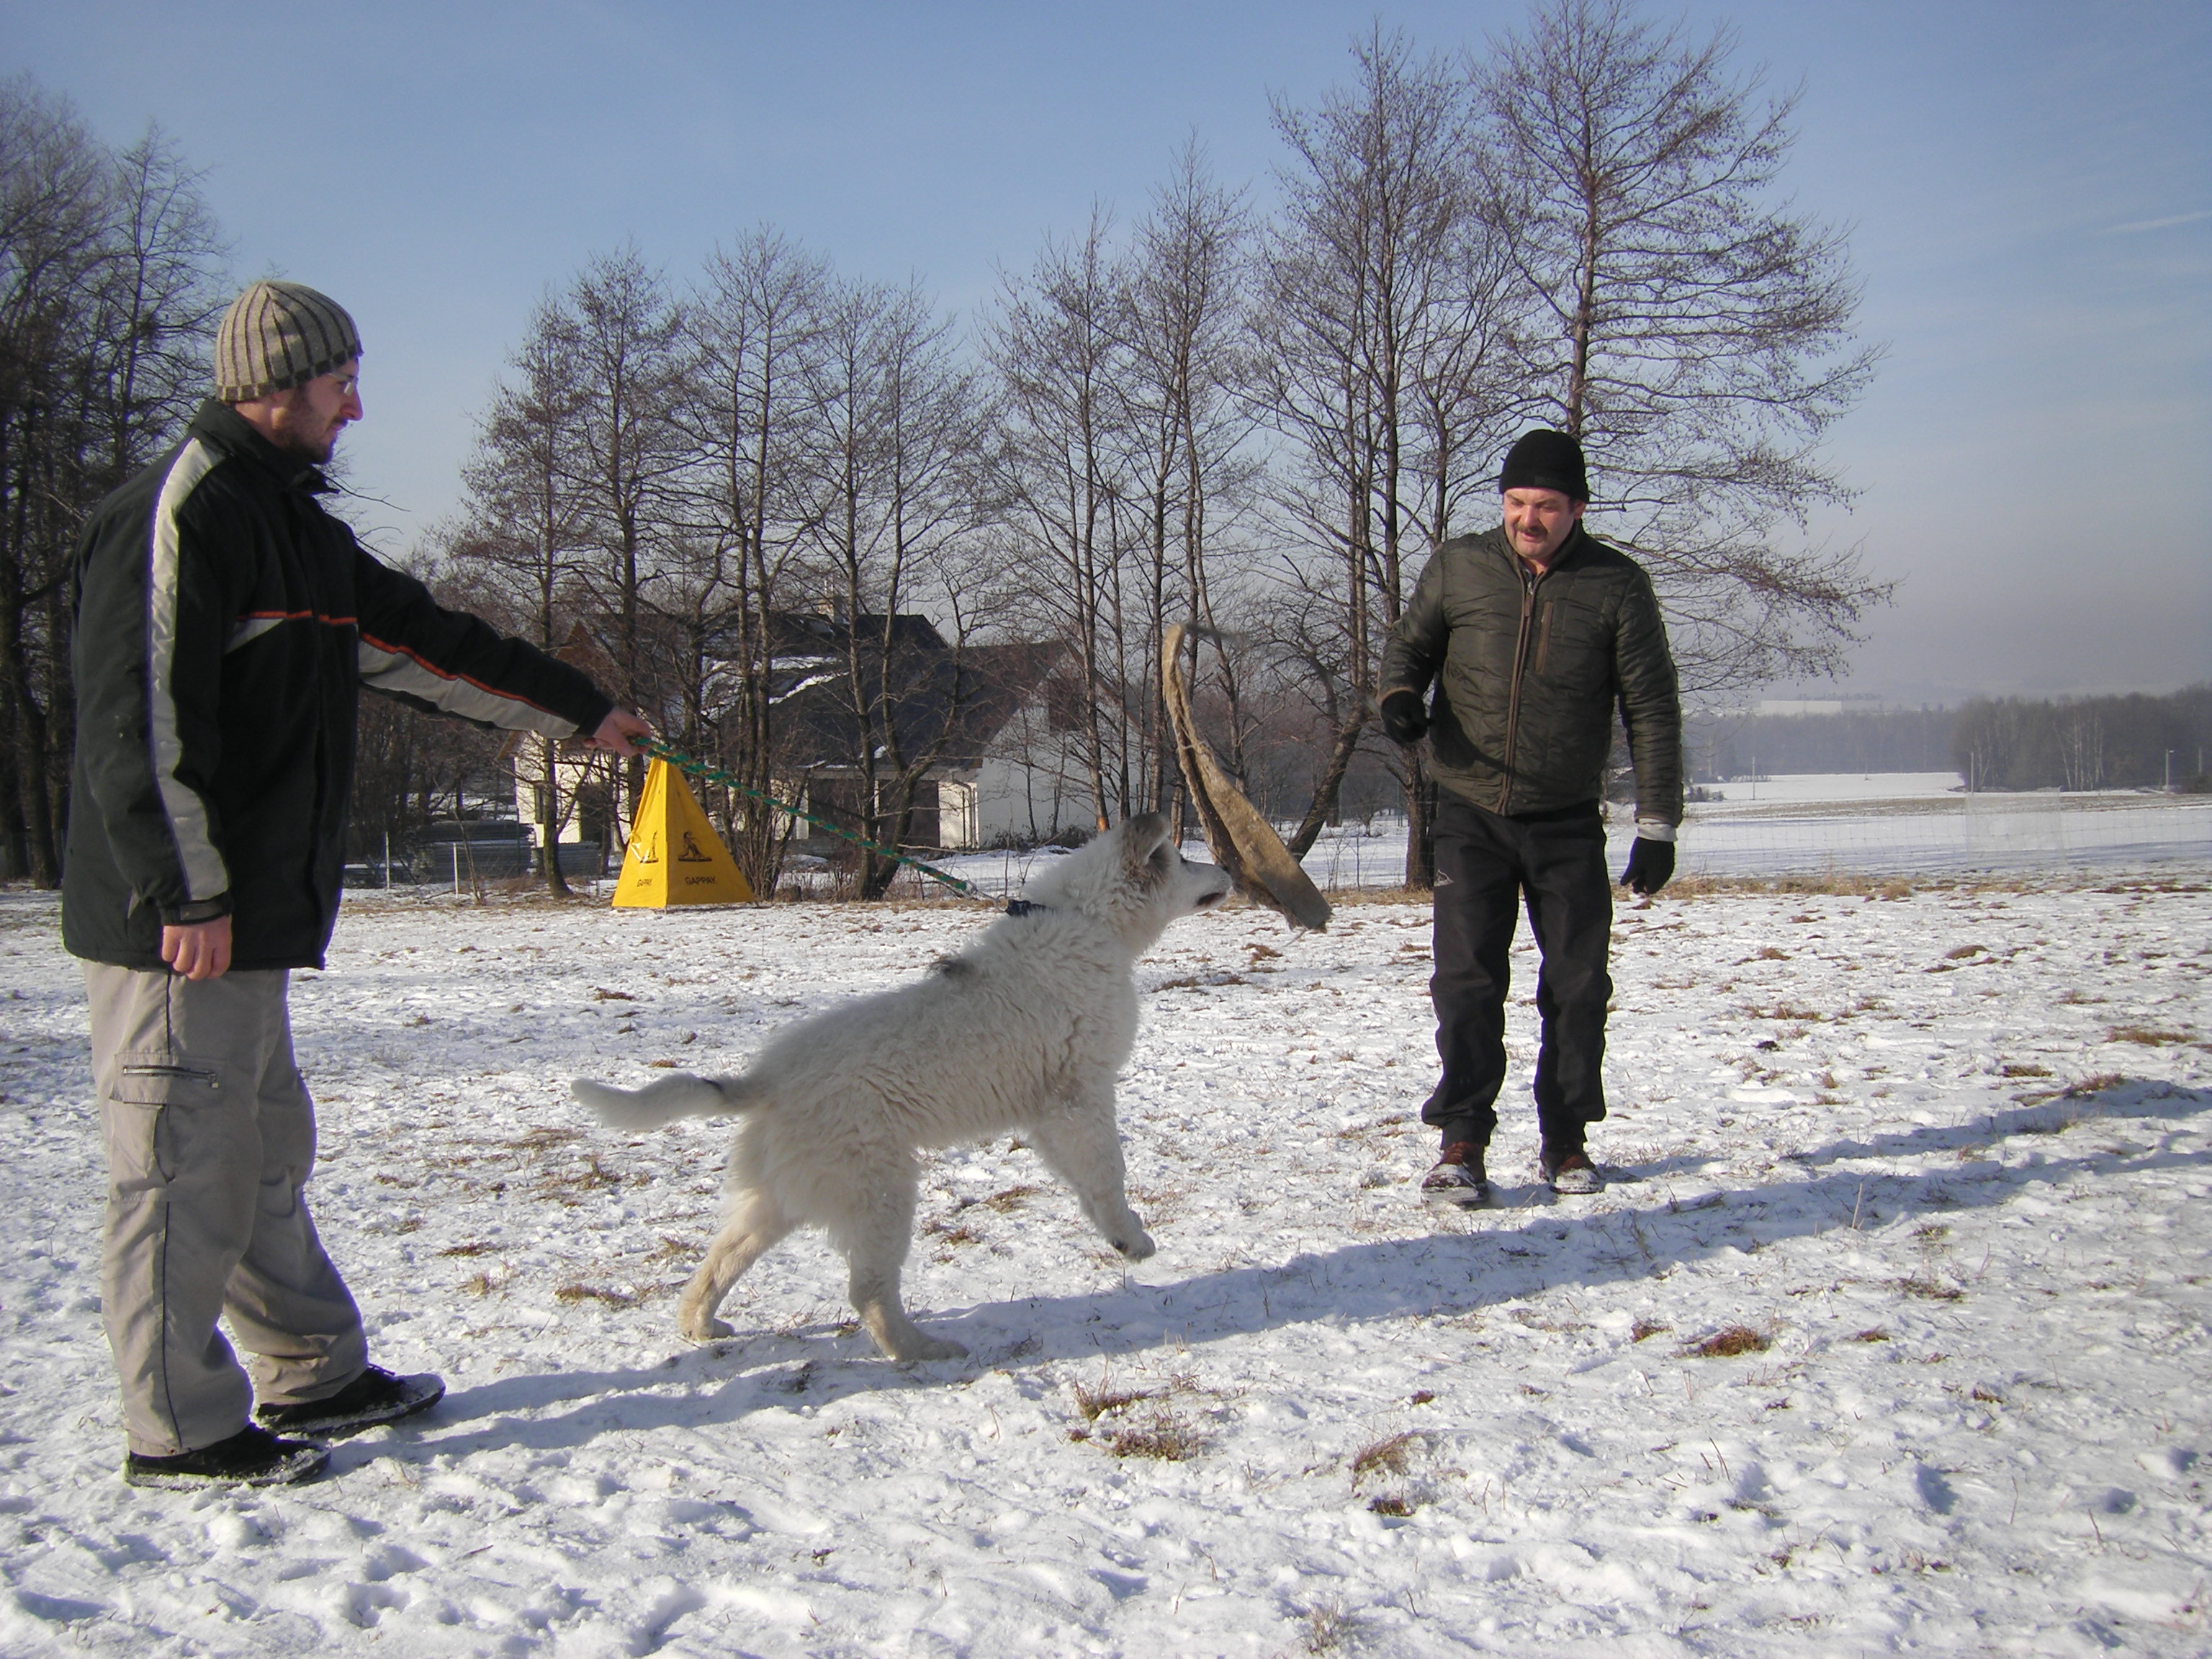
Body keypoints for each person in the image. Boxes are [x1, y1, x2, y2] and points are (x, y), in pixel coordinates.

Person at [65, 280, 651, 1490]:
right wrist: (187, 894)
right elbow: (136, 720)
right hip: (176, 923)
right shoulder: (184, 512)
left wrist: (584, 709)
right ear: (275, 385)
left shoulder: (297, 529)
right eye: (341, 384)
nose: (358, 407)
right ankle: (178, 1423)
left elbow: (432, 643)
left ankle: (312, 1367)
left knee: (264, 1142)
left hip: (249, 915)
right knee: (183, 1160)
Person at [1377, 428, 1682, 1205]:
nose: (1529, 519)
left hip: (1567, 818)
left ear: (1578, 508)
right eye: (1516, 503)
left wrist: (1658, 824)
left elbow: (1651, 706)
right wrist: (1401, 698)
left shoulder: (1618, 587)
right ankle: (1462, 1143)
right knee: (1468, 981)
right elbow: (1408, 649)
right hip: (1471, 810)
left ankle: (1566, 1142)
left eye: (1546, 506)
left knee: (1578, 985)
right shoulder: (1459, 567)